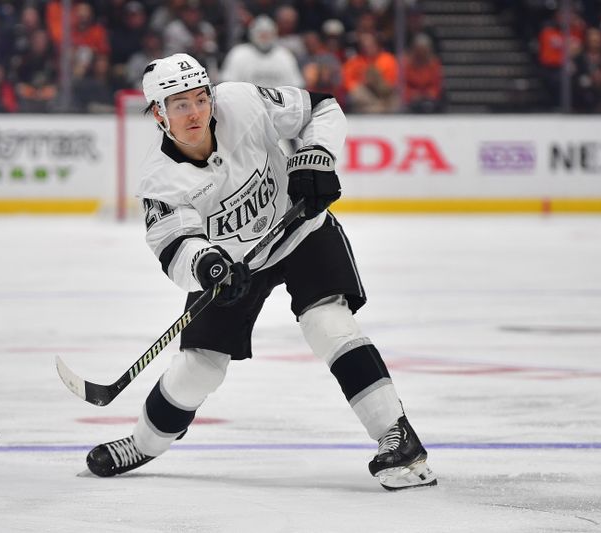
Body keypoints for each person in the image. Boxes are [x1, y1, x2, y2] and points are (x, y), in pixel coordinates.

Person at [85, 53, 437, 491]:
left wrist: (316, 156)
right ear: (159, 114)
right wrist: (209, 266)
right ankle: (144, 443)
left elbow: (323, 108)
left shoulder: (244, 103)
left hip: (300, 232)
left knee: (327, 322)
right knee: (199, 367)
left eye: (200, 98)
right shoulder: (160, 181)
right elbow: (175, 247)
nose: (195, 112)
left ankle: (398, 437)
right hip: (235, 265)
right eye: (180, 105)